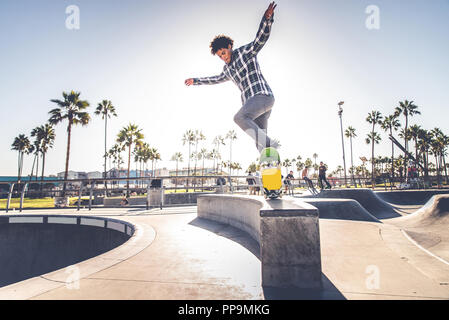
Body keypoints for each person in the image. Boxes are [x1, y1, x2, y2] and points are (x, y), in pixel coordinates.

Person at [185, 2, 278, 153]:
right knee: (259, 142)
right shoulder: (227, 70)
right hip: (255, 106)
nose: (222, 57)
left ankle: (269, 145)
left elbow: (260, 40)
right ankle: (271, 173)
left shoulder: (244, 52)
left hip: (262, 97)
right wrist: (196, 81)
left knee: (239, 118)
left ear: (229, 47)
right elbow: (215, 79)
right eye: (219, 56)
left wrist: (267, 19)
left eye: (223, 53)